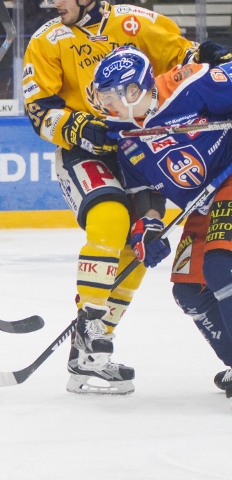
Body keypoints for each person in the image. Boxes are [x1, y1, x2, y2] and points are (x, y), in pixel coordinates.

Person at [21, 0, 230, 394]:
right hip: (84, 150)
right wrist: (85, 128)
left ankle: (91, 352)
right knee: (111, 220)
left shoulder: (136, 23)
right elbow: (38, 110)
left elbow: (188, 58)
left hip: (141, 146)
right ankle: (92, 335)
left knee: (139, 242)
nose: (54, 2)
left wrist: (215, 56)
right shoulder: (47, 40)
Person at [91, 46, 232, 399]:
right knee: (189, 291)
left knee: (219, 266)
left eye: (112, 96)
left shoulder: (190, 84)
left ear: (136, 90)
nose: (107, 104)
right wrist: (150, 226)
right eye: (103, 96)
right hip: (201, 204)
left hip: (228, 180)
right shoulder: (123, 134)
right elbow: (145, 192)